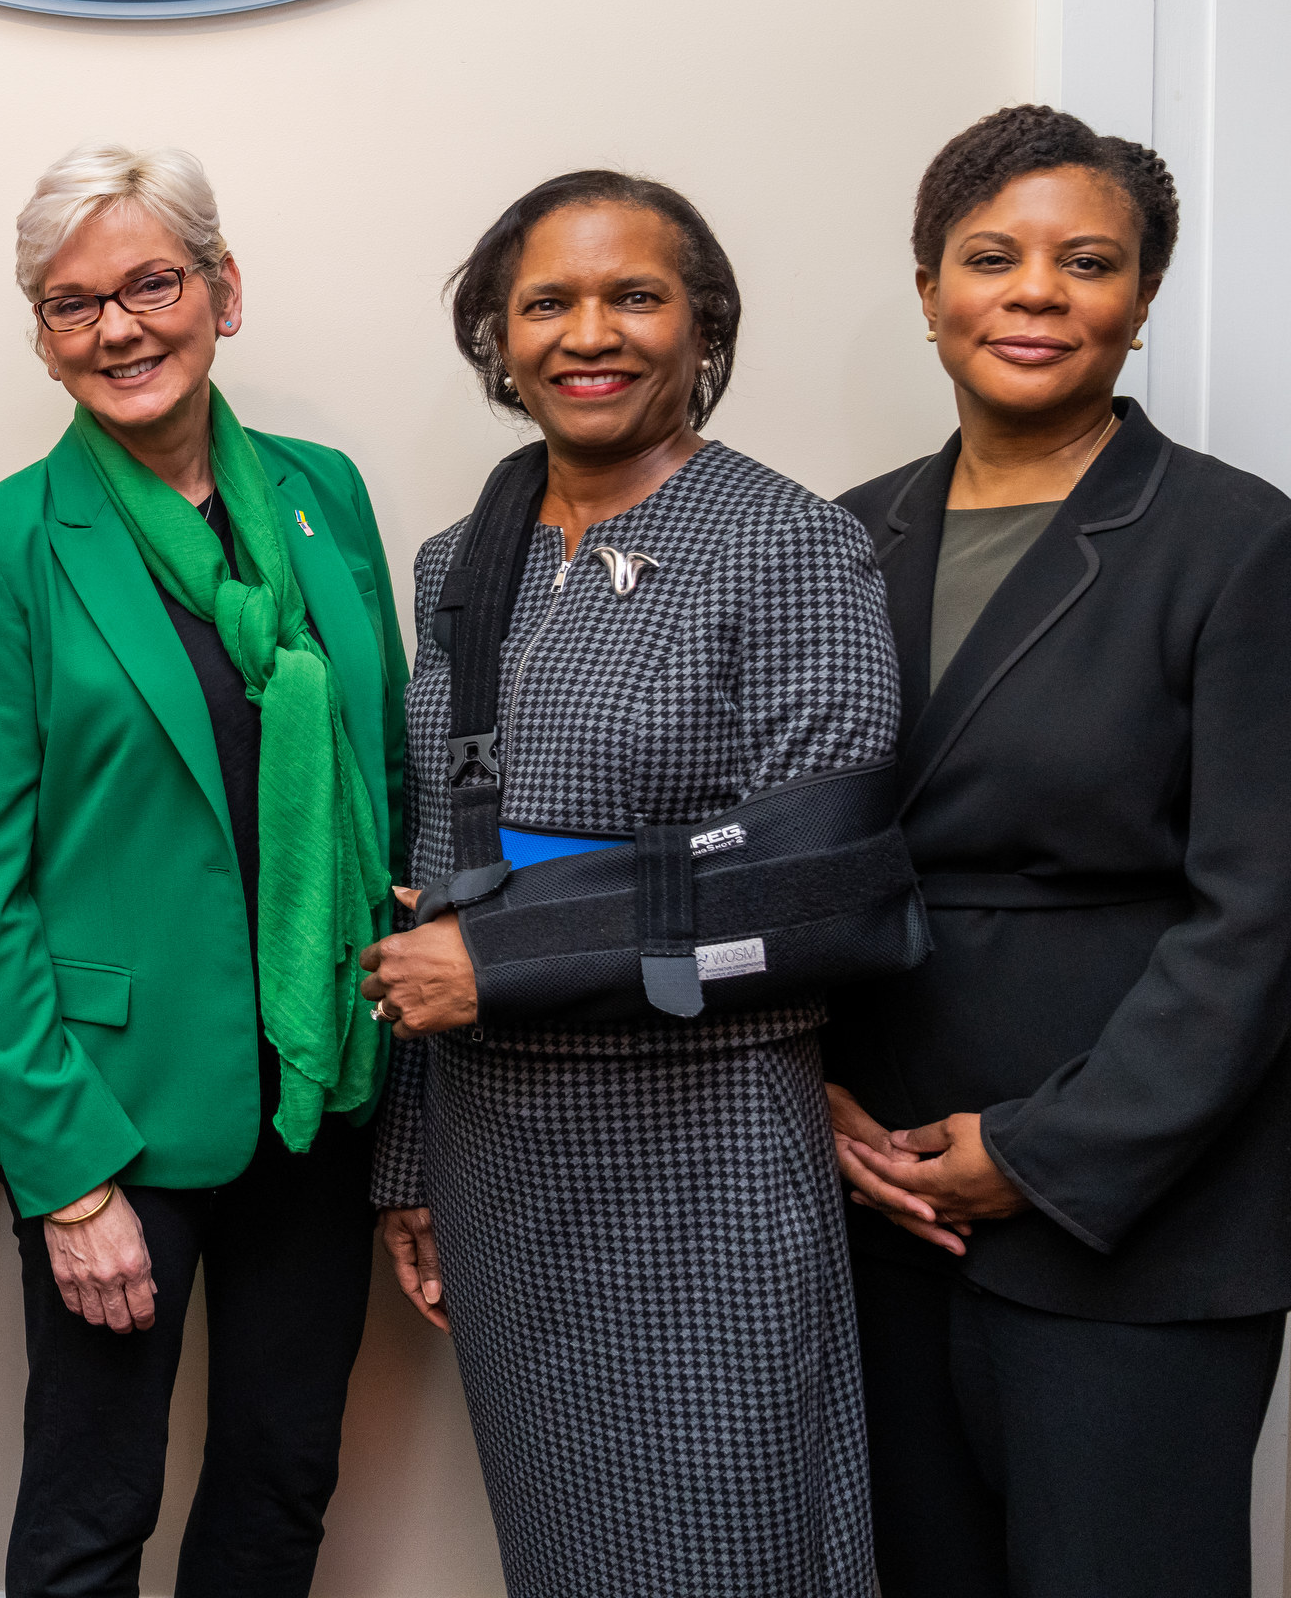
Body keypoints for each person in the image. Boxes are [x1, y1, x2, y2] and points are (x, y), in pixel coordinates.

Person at [821, 105, 1291, 1598]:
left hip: (1143, 1211)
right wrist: (820, 1095)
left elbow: (1266, 911)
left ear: (1141, 302)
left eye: (1089, 261)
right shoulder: (842, 544)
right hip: (882, 1198)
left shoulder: (1239, 548)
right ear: (930, 290)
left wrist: (1042, 1154)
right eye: (991, 256)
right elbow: (783, 860)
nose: (1037, 291)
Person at [357, 170, 895, 1595]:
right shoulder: (461, 562)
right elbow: (440, 878)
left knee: (732, 1545)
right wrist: (410, 1166)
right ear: (499, 337)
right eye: (548, 302)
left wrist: (518, 953)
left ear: (702, 328)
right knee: (567, 1553)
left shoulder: (791, 545)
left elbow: (821, 890)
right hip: (496, 1151)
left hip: (700, 1150)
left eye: (634, 295)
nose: (589, 332)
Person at [0, 143, 408, 1598]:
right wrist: (68, 1182)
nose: (120, 327)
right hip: (114, 1112)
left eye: (152, 283)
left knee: (283, 1476)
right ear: (43, 337)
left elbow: (380, 781)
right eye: (73, 306)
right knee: (93, 1504)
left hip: (321, 1090)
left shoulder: (326, 497)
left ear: (223, 292)